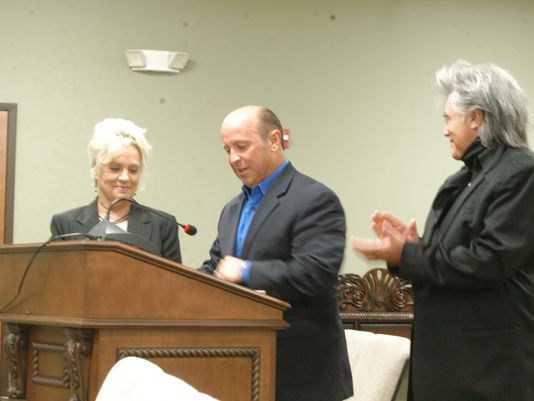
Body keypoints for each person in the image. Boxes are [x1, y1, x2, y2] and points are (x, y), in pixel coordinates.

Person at [352, 60, 534, 401]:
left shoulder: (521, 172)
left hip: (486, 371)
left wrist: (408, 253)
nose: (445, 130)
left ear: (476, 118)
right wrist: (410, 249)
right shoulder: (461, 180)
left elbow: (489, 262)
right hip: (449, 362)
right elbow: (447, 263)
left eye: (448, 118)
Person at [199, 106, 353, 401]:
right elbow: (217, 265)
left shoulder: (314, 199)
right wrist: (180, 284)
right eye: (227, 150)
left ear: (273, 140)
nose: (233, 158)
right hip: (243, 367)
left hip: (300, 375)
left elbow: (315, 273)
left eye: (242, 146)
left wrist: (245, 271)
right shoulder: (232, 209)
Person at [50, 118, 182, 263]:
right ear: (96, 171)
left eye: (133, 170)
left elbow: (175, 283)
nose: (125, 177)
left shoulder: (163, 226)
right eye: (115, 168)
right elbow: (57, 281)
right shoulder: (65, 224)